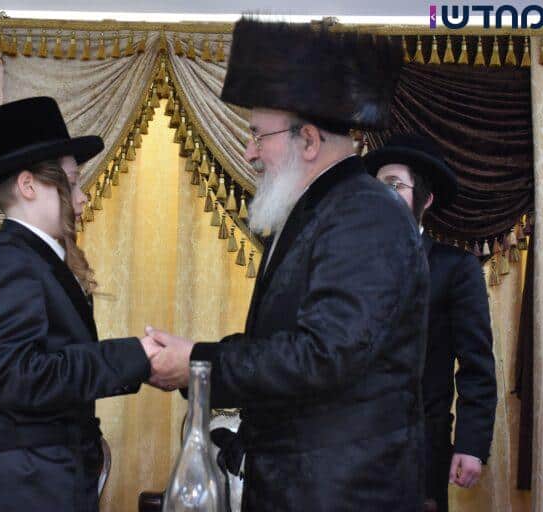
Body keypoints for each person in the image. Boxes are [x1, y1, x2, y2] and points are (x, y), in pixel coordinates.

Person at [145, 19, 429, 511]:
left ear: (309, 141)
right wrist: (198, 361)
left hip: (340, 495)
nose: (249, 153)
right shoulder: (321, 210)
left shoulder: (365, 215)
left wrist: (198, 364)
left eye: (258, 135)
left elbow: (323, 354)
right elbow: (283, 344)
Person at [0, 96, 160, 511]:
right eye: (73, 182)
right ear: (28, 186)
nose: (82, 198)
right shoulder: (10, 261)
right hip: (27, 487)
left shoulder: (32, 258)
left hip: (45, 478)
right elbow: (17, 376)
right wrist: (135, 356)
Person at [364, 133, 497, 512]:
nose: (382, 196)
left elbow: (476, 365)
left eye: (394, 185)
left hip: (421, 446)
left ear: (426, 199)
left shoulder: (455, 269)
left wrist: (470, 445)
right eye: (377, 186)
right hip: (350, 444)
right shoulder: (349, 263)